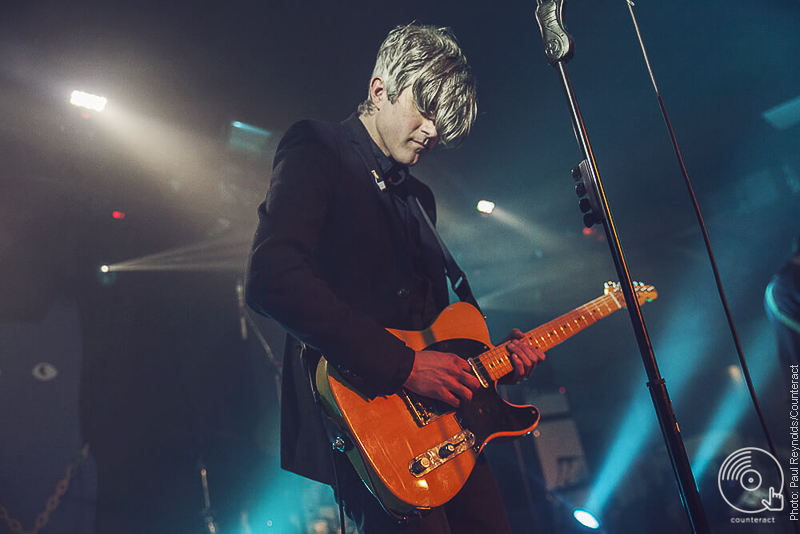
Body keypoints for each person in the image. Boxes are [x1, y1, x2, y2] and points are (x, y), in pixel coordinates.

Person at [245, 23, 545, 533]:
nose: (433, 131)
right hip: (371, 422)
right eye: (425, 111)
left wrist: (489, 367)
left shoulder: (418, 198)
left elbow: (435, 335)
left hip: (451, 427)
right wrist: (402, 365)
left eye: (442, 122)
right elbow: (272, 278)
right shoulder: (318, 147)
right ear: (379, 89)